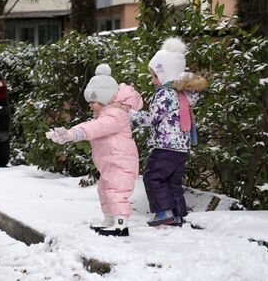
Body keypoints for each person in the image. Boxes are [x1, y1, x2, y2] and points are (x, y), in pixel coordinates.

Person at [45, 64, 143, 237]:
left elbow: (96, 128)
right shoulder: (106, 113)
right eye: (89, 101)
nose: (90, 105)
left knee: (117, 191)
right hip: (109, 162)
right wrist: (67, 134)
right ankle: (109, 220)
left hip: (120, 161)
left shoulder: (115, 115)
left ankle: (121, 224)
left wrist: (74, 134)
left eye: (94, 101)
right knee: (104, 190)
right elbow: (93, 125)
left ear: (105, 100)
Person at [131, 37, 207, 227]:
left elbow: (151, 118)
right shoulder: (183, 93)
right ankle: (177, 215)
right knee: (173, 181)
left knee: (153, 177)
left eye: (154, 75)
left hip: (165, 146)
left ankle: (164, 213)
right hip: (181, 148)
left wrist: (129, 115)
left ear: (165, 74)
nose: (152, 81)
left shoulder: (165, 94)